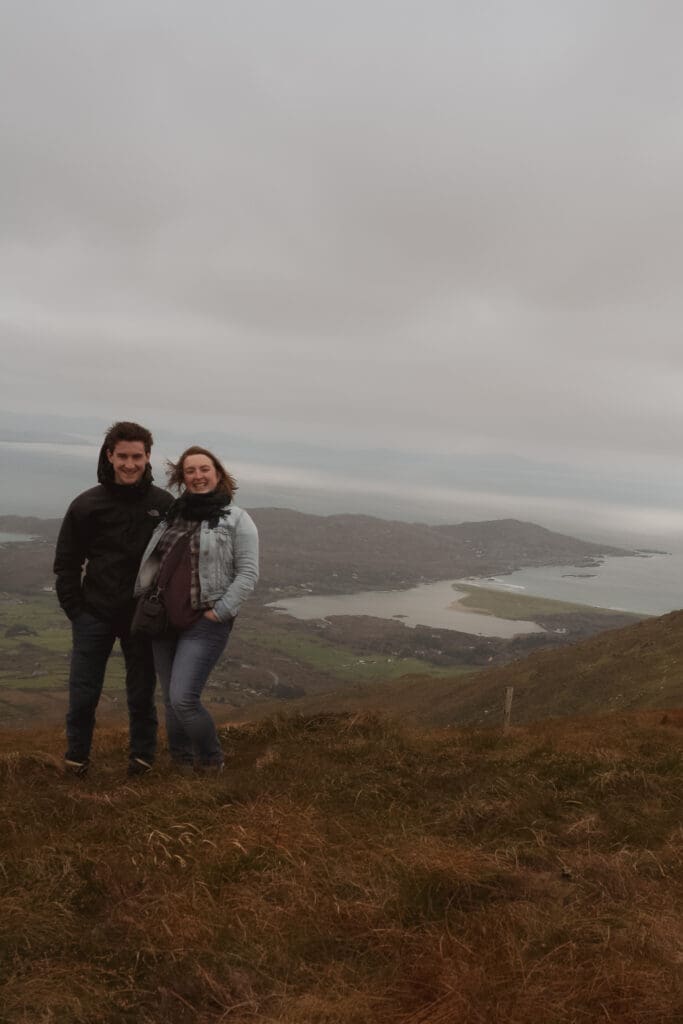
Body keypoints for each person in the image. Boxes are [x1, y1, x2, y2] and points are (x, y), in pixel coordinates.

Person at [54, 421, 174, 776]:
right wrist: (76, 610)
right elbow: (67, 562)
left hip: (142, 615)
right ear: (110, 455)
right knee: (83, 693)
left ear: (147, 456)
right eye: (122, 456)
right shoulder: (87, 504)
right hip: (94, 613)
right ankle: (76, 760)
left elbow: (173, 559)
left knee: (141, 693)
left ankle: (142, 760)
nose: (129, 464)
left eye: (137, 456)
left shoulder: (163, 504)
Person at [134, 446, 259, 773]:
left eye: (205, 469)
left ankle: (211, 759)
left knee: (184, 698)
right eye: (190, 471)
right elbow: (157, 561)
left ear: (218, 474)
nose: (198, 476)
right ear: (182, 477)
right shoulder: (173, 514)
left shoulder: (236, 520)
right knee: (172, 700)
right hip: (163, 619)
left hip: (204, 621)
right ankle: (182, 762)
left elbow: (248, 573)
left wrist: (221, 611)